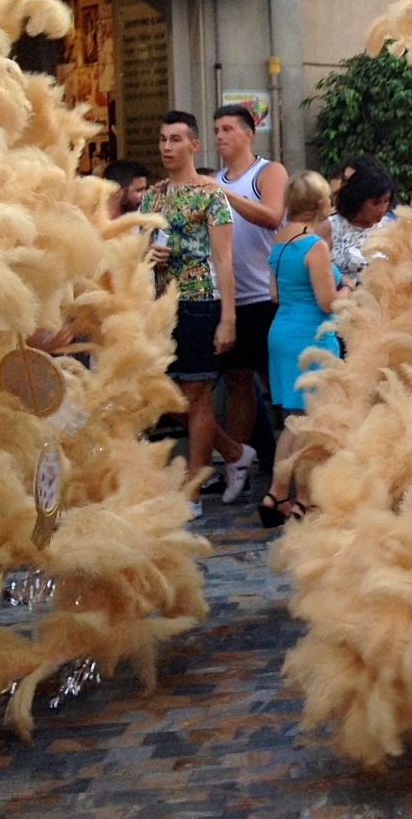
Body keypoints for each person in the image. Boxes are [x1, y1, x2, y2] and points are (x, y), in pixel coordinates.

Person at [140, 111, 252, 520]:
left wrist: (228, 317)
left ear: (193, 145)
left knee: (197, 394)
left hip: (200, 301)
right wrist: (146, 254)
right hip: (160, 304)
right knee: (163, 395)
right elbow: (137, 248)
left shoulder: (211, 195)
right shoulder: (152, 196)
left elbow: (224, 259)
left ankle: (192, 490)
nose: (167, 147)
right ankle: (234, 452)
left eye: (175, 139)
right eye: (162, 139)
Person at [259, 172, 347, 527]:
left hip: (282, 331)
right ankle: (304, 501)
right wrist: (349, 288)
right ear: (321, 203)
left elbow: (274, 294)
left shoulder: (279, 241)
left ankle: (276, 494)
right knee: (313, 423)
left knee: (293, 422)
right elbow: (328, 302)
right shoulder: (314, 245)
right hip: (311, 336)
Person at [210, 104, 288, 503]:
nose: (220, 137)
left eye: (228, 129)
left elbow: (273, 216)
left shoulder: (267, 172)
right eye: (216, 130)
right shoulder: (214, 179)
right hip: (229, 297)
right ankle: (237, 462)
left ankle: (293, 458)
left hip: (264, 293)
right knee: (237, 379)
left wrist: (222, 194)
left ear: (248, 133)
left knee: (275, 380)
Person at [330, 158, 396, 287]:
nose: (382, 208)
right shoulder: (330, 226)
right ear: (359, 200)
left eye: (386, 201)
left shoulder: (393, 227)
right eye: (376, 203)